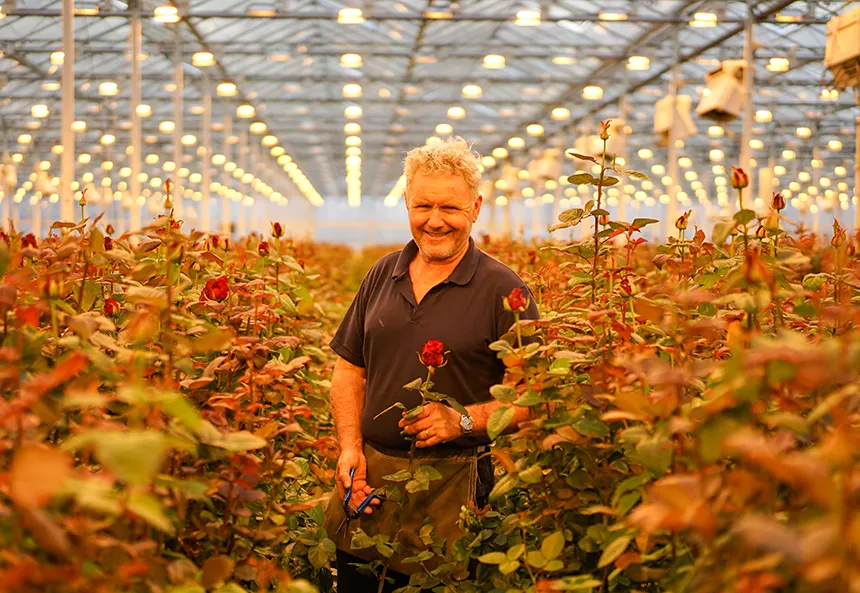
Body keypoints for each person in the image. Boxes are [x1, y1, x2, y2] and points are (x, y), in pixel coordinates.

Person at [323, 137, 540, 592]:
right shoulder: (383, 273)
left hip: (453, 491)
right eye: (423, 205)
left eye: (451, 208)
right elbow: (349, 371)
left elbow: (531, 400)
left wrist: (462, 420)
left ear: (476, 208)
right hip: (370, 486)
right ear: (406, 203)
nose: (435, 221)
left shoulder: (506, 291)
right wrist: (350, 449)